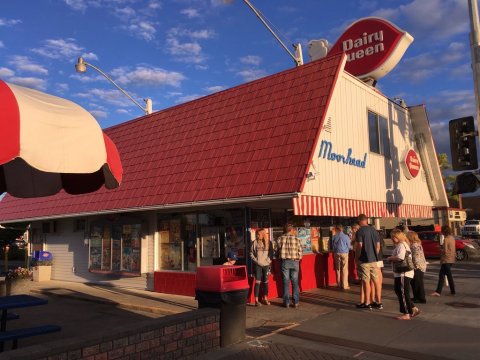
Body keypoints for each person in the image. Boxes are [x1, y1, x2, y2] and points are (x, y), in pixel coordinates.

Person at [388, 229, 420, 320]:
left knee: (402, 292)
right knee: (399, 291)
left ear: (397, 237)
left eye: (393, 237)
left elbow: (400, 257)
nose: (392, 239)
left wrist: (390, 258)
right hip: (402, 273)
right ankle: (413, 308)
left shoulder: (401, 245)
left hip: (403, 272)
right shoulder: (402, 244)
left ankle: (406, 313)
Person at [354, 214, 381, 309]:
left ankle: (367, 302)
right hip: (374, 259)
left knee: (366, 281)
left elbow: (359, 246)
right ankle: (378, 301)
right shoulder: (374, 230)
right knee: (375, 280)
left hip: (364, 260)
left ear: (360, 221)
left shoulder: (360, 231)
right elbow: (378, 246)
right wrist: (374, 255)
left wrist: (357, 258)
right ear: (366, 220)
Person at [277, 224, 303, 308]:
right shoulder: (297, 239)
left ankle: (287, 302)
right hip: (295, 262)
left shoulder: (280, 238)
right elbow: (300, 251)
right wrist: (298, 258)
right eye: (293, 229)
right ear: (291, 230)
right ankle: (295, 302)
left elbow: (276, 251)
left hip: (285, 262)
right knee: (295, 282)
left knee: (286, 282)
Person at [250, 228, 274, 306]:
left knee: (266, 282)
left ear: (263, 234)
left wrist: (267, 261)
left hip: (266, 265)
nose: (257, 235)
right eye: (256, 234)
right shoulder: (254, 243)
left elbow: (271, 254)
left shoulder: (269, 243)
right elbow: (251, 253)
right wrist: (256, 261)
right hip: (258, 265)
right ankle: (256, 300)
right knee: (257, 282)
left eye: (258, 234)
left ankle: (265, 298)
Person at [431, 225, 456, 297]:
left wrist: (440, 248)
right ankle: (438, 291)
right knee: (441, 275)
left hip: (446, 259)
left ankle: (452, 291)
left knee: (448, 275)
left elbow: (444, 251)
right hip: (451, 259)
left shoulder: (446, 239)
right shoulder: (452, 238)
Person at [407, 231, 427, 303]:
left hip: (417, 267)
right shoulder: (418, 244)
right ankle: (417, 297)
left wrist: (414, 266)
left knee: (417, 283)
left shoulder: (414, 246)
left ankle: (420, 298)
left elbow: (415, 257)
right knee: (417, 283)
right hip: (421, 266)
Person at [331, 224, 350, 289]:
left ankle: (338, 284)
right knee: (344, 269)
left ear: (337, 229)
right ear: (342, 229)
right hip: (344, 253)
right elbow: (349, 245)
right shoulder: (346, 236)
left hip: (337, 253)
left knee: (338, 269)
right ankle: (345, 285)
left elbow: (333, 246)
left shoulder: (334, 236)